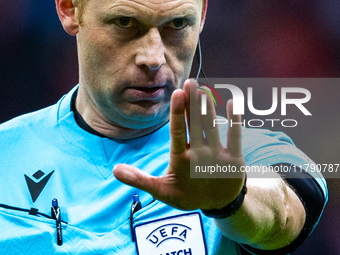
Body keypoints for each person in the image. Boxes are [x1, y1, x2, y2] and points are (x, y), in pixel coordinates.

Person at [0, 0, 327, 254]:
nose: (152, 57)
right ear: (70, 8)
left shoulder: (234, 154)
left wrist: (231, 200)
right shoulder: (6, 154)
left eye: (177, 24)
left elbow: (286, 212)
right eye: (125, 22)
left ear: (202, 15)